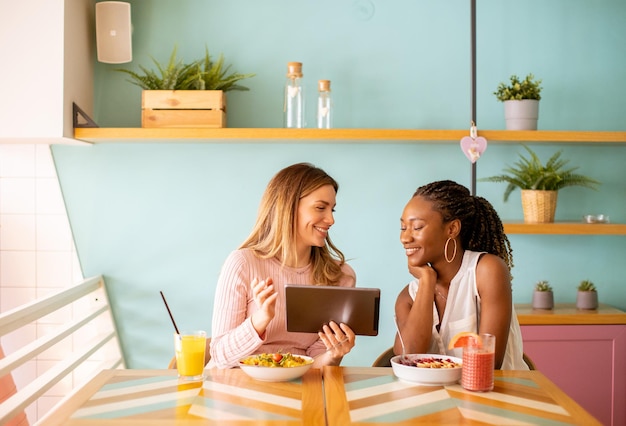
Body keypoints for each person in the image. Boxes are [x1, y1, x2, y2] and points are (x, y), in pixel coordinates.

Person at [208, 163, 357, 369]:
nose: (331, 219)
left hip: (300, 385)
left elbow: (315, 360)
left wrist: (333, 355)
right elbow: (220, 356)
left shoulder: (339, 276)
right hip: (239, 385)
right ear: (288, 207)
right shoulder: (243, 264)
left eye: (332, 209)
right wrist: (261, 319)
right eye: (320, 208)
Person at [394, 180, 528, 370]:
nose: (405, 238)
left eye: (417, 227)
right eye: (403, 228)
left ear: (452, 229)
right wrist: (426, 281)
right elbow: (406, 359)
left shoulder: (486, 271)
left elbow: (489, 363)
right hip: (437, 398)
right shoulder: (408, 297)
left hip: (498, 395)